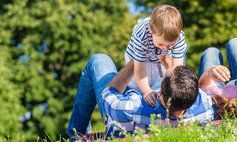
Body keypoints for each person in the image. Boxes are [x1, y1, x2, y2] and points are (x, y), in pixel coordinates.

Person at [66, 54, 215, 140]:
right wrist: (169, 64)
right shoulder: (205, 107)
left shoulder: (130, 108)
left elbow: (108, 96)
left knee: (99, 60)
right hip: (154, 118)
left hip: (120, 119)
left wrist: (137, 60)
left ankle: (75, 135)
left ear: (160, 93)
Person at [125, 4, 187, 106]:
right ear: (151, 30)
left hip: (162, 59)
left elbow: (176, 69)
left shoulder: (179, 38)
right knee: (138, 88)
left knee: (162, 84)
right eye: (161, 44)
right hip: (138, 60)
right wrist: (146, 91)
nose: (165, 47)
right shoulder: (141, 35)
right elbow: (139, 69)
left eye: (170, 44)